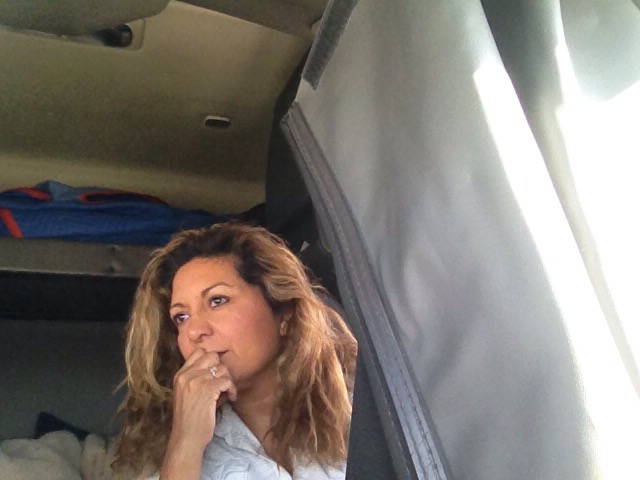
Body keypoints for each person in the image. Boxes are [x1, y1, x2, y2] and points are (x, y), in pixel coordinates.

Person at [113, 222, 357, 480]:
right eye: (181, 317)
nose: (194, 331)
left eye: (217, 301)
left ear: (283, 312)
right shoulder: (169, 456)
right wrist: (186, 441)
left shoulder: (360, 410)